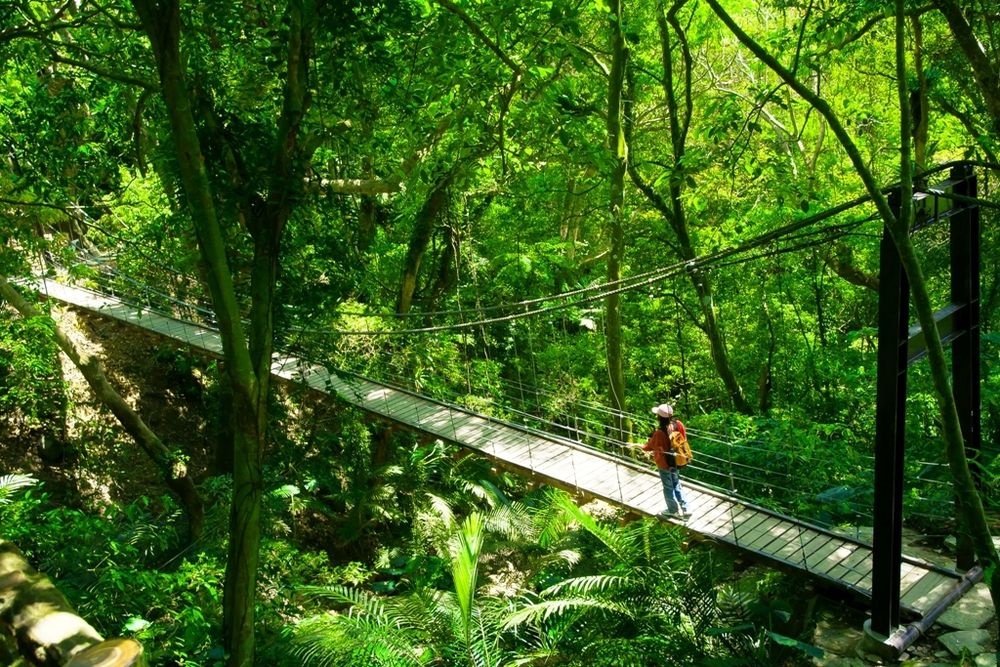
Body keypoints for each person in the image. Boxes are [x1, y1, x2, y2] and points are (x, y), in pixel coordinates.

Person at [632, 403, 690, 518]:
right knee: (677, 484)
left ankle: (673, 510)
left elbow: (648, 447)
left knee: (668, 487)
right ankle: (685, 508)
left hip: (665, 464)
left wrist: (635, 445)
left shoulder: (659, 433)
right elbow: (684, 439)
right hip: (677, 460)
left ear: (659, 417)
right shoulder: (678, 424)